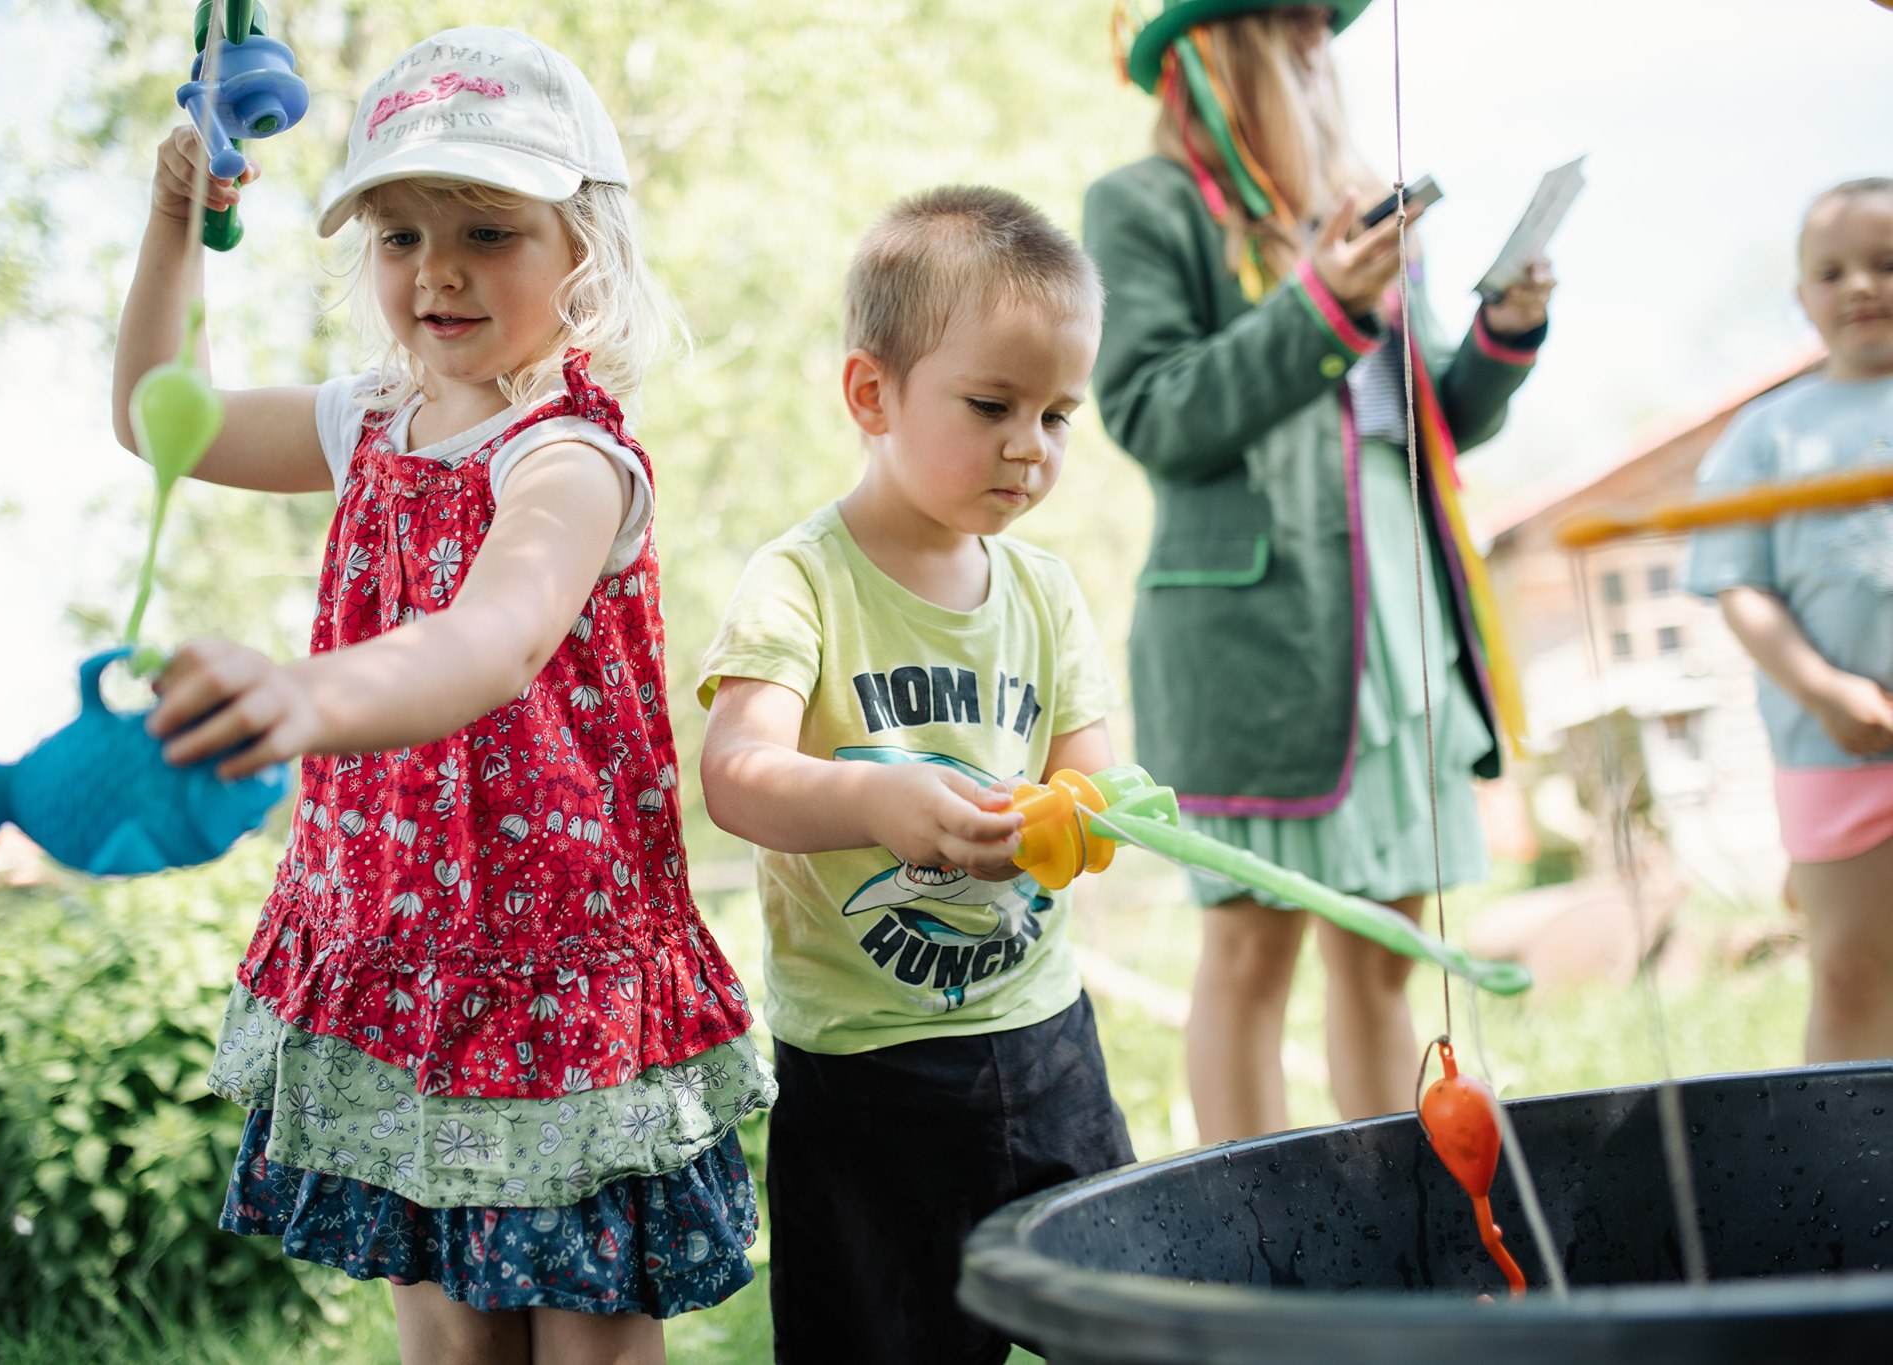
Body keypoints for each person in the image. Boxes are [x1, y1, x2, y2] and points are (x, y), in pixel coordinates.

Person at [111, 27, 774, 1364]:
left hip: (554, 972)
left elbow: (493, 639)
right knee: (450, 1335)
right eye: (401, 235)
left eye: (488, 230)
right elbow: (155, 413)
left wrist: (303, 696)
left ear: (585, 248)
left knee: (586, 1336)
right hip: (397, 954)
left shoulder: (568, 456)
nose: (439, 270)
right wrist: (177, 221)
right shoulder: (367, 419)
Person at [1082, 0, 1554, 1145]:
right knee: (1249, 950)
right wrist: (1320, 306)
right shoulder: (1142, 204)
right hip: (1258, 633)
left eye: (1318, 25)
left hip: (1397, 603)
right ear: (1220, 47)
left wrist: (1503, 331)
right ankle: (1251, 1235)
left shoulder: (1359, 206)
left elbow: (1431, 417)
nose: (1315, 47)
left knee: (1386, 951)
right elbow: (1150, 412)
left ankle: (1394, 1221)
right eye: (1290, 23)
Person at [697, 186, 1136, 1365]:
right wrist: (876, 803)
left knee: (1131, 1322)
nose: (1028, 446)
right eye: (992, 405)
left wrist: (1084, 819)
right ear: (871, 394)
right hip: (867, 1077)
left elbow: (1089, 782)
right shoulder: (800, 580)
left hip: (1048, 1045)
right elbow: (734, 775)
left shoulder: (1043, 592)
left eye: (1057, 416)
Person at [1684, 178, 1893, 1064]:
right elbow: (1740, 585)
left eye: (1886, 263)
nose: (1861, 286)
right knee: (1850, 969)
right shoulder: (1764, 436)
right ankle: (1848, 1146)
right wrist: (1825, 690)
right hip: (1833, 749)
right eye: (1832, 272)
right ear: (1803, 296)